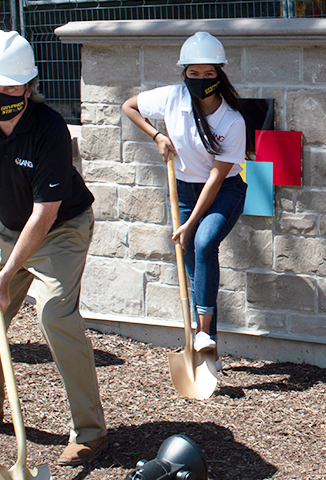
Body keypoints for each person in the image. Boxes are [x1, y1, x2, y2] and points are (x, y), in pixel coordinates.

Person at [0, 30, 108, 466]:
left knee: (55, 315)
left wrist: (6, 276)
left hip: (59, 232)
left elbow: (44, 216)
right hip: (5, 228)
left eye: (11, 88)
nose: (0, 96)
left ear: (29, 87)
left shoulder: (49, 130)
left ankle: (89, 431)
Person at [121, 31, 248, 367]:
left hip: (223, 192)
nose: (201, 80)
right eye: (194, 73)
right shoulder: (173, 98)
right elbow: (129, 106)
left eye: (209, 74)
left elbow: (217, 176)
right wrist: (157, 135)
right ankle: (209, 351)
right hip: (184, 190)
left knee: (204, 243)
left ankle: (203, 332)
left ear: (219, 75)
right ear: (184, 74)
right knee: (197, 273)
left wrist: (190, 223)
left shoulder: (232, 120)